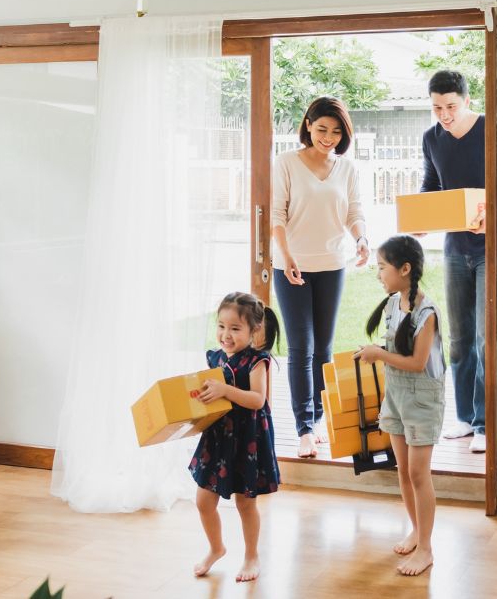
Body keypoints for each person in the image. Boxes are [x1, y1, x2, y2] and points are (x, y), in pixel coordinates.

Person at [271, 96, 370, 458]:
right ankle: (304, 429)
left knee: (324, 348)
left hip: (332, 264)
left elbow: (354, 211)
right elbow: (277, 215)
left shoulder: (347, 169)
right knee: (301, 347)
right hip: (292, 266)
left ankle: (320, 417)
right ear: (308, 125)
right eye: (322, 129)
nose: (328, 137)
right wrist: (287, 256)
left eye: (336, 131)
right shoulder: (286, 163)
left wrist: (361, 239)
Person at [356, 235, 446, 577]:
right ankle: (416, 531)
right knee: (404, 471)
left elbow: (419, 362)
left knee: (419, 474)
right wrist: (376, 350)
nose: (379, 274)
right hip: (395, 395)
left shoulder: (427, 311)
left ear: (404, 269)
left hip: (423, 399)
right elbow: (395, 350)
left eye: (382, 267)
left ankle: (426, 548)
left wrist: (378, 354)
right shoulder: (394, 303)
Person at [189, 292, 281, 582]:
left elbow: (258, 399)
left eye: (235, 328)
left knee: (245, 502)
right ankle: (216, 548)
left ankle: (252, 555)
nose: (225, 334)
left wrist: (225, 391)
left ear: (254, 330)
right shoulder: (214, 357)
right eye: (221, 326)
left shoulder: (257, 361)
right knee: (203, 500)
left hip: (247, 439)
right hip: (218, 437)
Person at [420, 70, 487, 453]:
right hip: (454, 250)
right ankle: (463, 418)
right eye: (436, 108)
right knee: (459, 339)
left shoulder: (488, 129)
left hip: (488, 249)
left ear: (466, 99)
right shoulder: (432, 138)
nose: (443, 115)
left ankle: (483, 423)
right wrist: (422, 218)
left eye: (450, 107)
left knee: (483, 337)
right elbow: (431, 185)